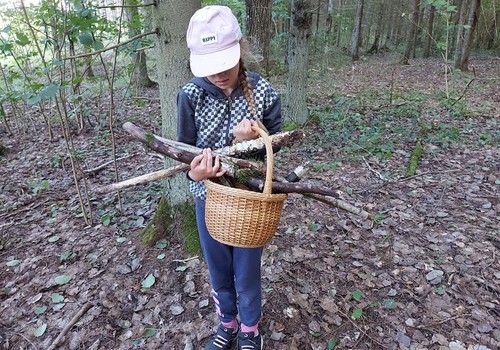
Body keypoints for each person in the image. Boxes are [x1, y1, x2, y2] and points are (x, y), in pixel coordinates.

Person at [176, 5, 282, 350]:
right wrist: (195, 172)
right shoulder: (190, 96)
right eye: (211, 67)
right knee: (219, 269)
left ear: (241, 48)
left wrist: (249, 141)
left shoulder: (264, 92)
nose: (219, 74)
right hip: (209, 199)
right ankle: (228, 325)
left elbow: (275, 147)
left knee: (247, 272)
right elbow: (184, 150)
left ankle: (251, 331)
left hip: (250, 202)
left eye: (225, 63)